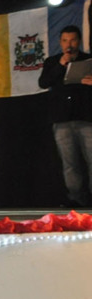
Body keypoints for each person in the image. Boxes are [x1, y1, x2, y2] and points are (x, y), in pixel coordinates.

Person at [38, 24, 92, 207]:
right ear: (60, 43)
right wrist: (61, 65)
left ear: (79, 41)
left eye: (73, 40)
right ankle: (77, 199)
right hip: (62, 120)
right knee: (70, 164)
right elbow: (43, 82)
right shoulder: (52, 62)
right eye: (65, 40)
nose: (69, 44)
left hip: (86, 118)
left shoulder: (88, 60)